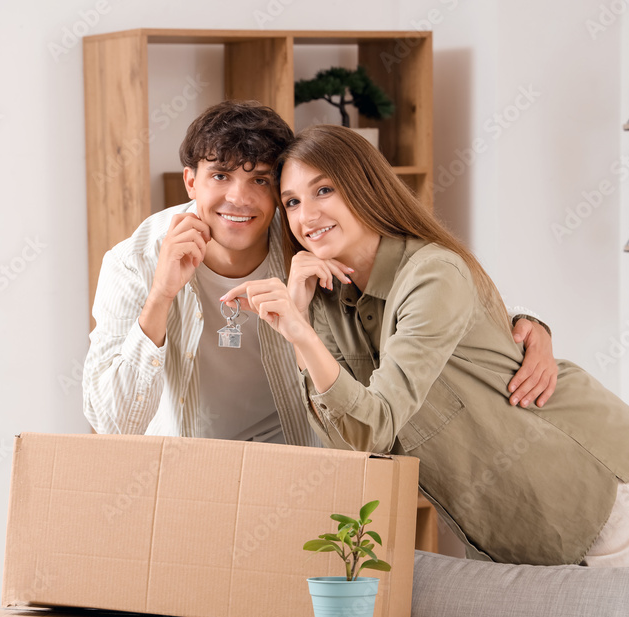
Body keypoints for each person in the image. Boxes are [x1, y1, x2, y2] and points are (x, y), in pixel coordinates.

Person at [221, 124, 629, 570]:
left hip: (592, 480)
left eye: (324, 190)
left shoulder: (432, 273)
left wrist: (299, 332)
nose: (307, 216)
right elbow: (355, 441)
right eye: (293, 202)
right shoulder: (325, 301)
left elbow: (376, 422)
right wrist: (302, 329)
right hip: (512, 520)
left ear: (365, 186)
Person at [83, 101, 558, 447]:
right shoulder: (134, 262)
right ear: (191, 180)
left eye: (260, 180)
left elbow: (406, 286)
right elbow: (113, 422)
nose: (240, 199)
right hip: (190, 474)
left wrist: (525, 322)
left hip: (304, 466)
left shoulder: (302, 239)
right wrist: (161, 297)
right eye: (221, 176)